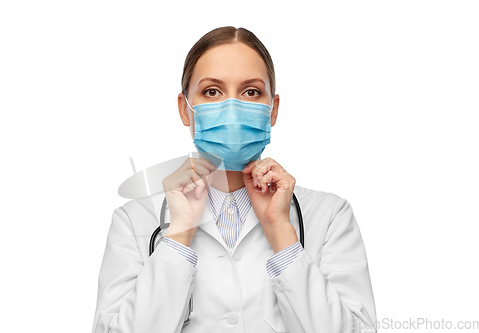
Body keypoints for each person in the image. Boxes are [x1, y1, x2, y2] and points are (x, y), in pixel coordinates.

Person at [92, 26, 377, 333]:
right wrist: (177, 237)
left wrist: (281, 233)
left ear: (272, 110)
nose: (231, 108)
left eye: (251, 92)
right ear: (184, 110)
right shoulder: (134, 222)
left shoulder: (330, 216)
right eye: (212, 91)